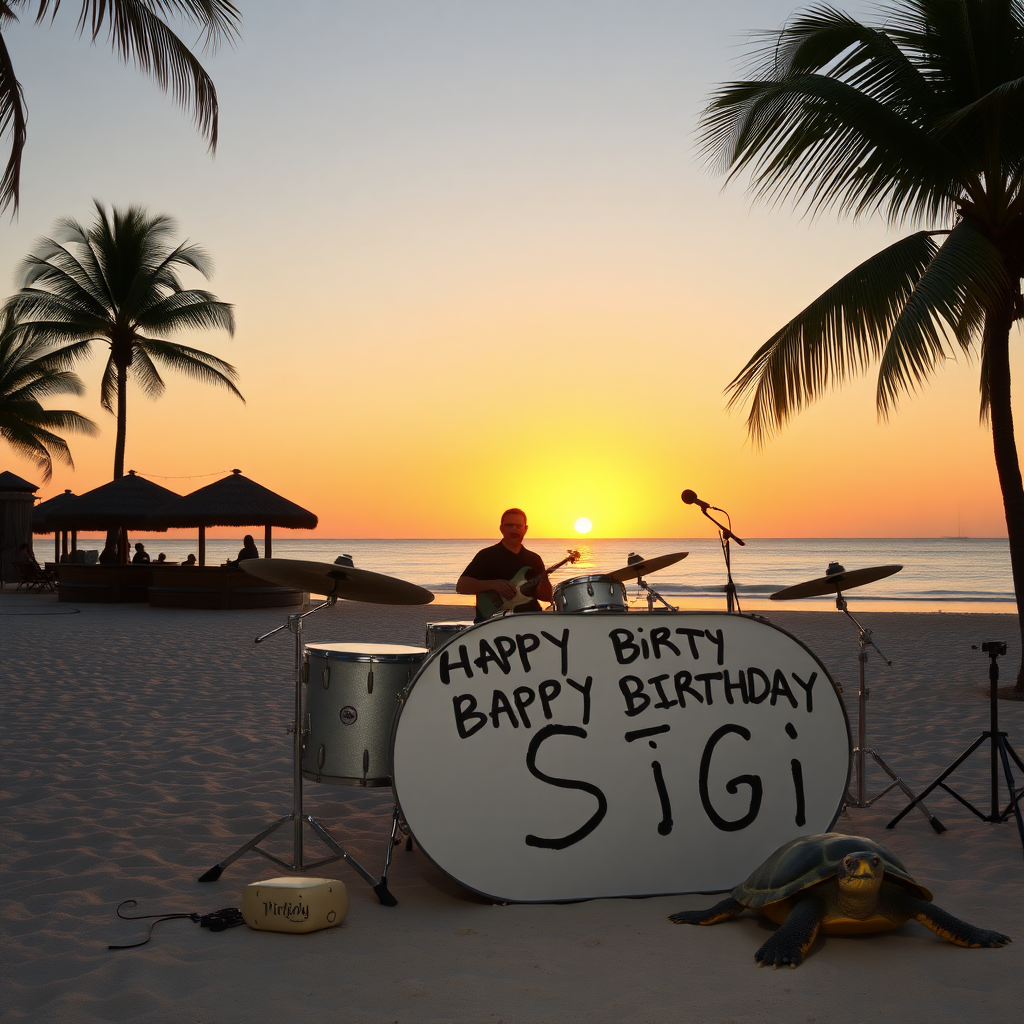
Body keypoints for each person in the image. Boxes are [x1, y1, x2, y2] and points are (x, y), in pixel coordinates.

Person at [457, 508, 553, 622]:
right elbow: (461, 586)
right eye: (509, 525)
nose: (514, 529)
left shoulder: (534, 559)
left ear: (525, 529)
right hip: (494, 622)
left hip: (530, 622)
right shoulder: (486, 555)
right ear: (501, 528)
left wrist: (544, 585)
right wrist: (494, 584)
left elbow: (545, 597)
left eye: (518, 526)